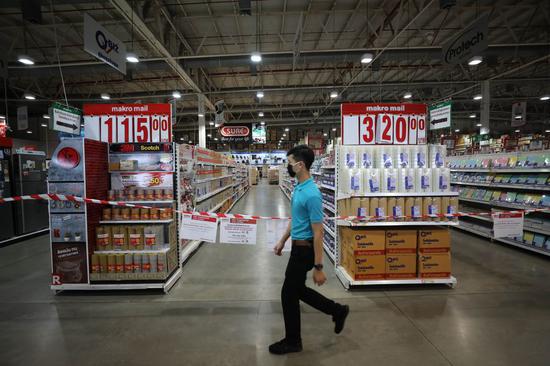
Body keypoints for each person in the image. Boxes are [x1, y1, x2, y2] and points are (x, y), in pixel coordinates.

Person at [269, 145, 349, 355]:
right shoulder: (299, 187)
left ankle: (293, 341)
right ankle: (337, 310)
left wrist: (319, 266)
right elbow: (296, 220)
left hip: (304, 251)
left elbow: (319, 232)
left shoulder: (312, 194)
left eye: (289, 162)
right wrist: (282, 240)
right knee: (297, 291)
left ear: (300, 164)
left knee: (288, 294)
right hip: (297, 246)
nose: (288, 166)